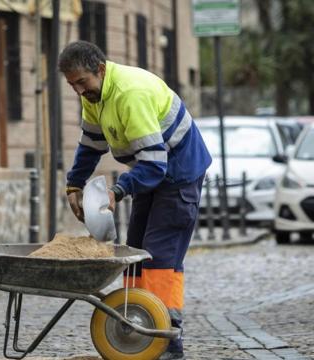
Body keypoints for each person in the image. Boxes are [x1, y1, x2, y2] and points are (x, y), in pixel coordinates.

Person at [58, 41, 211, 360]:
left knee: (159, 258)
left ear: (100, 69)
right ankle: (137, 334)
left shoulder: (130, 93)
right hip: (152, 171)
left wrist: (117, 191)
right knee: (137, 252)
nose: (78, 90)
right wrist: (74, 185)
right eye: (72, 84)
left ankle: (164, 344)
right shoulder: (95, 94)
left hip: (179, 173)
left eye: (81, 82)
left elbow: (155, 165)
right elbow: (91, 144)